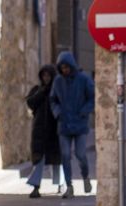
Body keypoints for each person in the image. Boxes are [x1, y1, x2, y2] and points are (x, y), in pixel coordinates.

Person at [49, 51, 94, 198]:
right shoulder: (58, 81)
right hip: (64, 124)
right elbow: (53, 100)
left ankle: (85, 177)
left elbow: (92, 97)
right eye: (62, 67)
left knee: (80, 154)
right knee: (65, 155)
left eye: (67, 67)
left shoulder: (83, 79)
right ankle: (69, 186)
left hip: (80, 124)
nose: (65, 70)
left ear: (72, 66)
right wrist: (58, 113)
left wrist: (84, 111)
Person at [25, 65, 61, 198]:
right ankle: (35, 186)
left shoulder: (57, 90)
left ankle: (60, 184)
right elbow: (30, 102)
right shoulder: (37, 90)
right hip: (39, 129)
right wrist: (42, 92)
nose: (46, 78)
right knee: (38, 159)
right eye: (44, 75)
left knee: (57, 160)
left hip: (54, 130)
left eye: (48, 76)